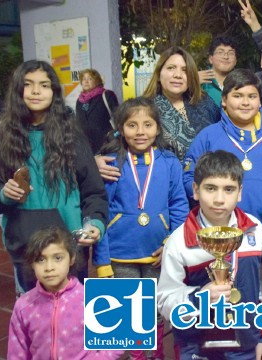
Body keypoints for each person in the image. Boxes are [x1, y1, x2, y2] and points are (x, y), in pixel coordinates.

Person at [0, 60, 108, 294]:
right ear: (18, 91)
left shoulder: (72, 138)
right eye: (28, 84)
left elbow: (93, 191)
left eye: (44, 85)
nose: (36, 91)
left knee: (74, 321)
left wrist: (95, 223)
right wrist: (3, 194)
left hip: (69, 248)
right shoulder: (0, 141)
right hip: (25, 249)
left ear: (54, 92)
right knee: (35, 319)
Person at [93, 97, 189, 359]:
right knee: (128, 317)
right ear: (121, 129)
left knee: (157, 312)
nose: (140, 132)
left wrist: (172, 244)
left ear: (157, 128)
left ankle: (155, 355)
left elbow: (179, 204)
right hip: (119, 255)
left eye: (147, 124)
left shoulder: (169, 162)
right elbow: (99, 213)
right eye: (132, 125)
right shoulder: (110, 164)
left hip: (158, 252)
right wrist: (101, 262)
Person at [158, 150, 262, 360]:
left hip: (246, 341)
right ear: (196, 190)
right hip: (196, 346)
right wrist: (200, 298)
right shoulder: (179, 240)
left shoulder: (255, 230)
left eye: (229, 189)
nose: (219, 199)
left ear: (240, 192)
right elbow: (164, 300)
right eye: (210, 188)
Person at [183, 69, 262, 225]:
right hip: (217, 228)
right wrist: (208, 198)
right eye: (237, 96)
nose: (245, 103)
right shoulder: (208, 136)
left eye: (252, 96)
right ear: (224, 100)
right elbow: (189, 176)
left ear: (259, 101)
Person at [96, 47, 220, 181]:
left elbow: (224, 133)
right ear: (159, 74)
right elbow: (118, 138)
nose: (178, 75)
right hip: (165, 186)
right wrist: (97, 159)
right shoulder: (144, 108)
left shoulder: (204, 102)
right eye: (171, 68)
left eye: (184, 70)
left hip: (210, 184)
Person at [8, 227, 123, 359]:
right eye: (40, 260)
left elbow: (115, 344)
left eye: (58, 258)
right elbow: (16, 353)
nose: (49, 267)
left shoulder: (91, 300)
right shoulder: (23, 306)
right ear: (32, 264)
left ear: (72, 258)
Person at [75, 68, 119, 154]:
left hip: (105, 143)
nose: (86, 81)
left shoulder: (107, 95)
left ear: (97, 81)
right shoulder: (79, 100)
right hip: (86, 147)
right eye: (84, 79)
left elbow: (118, 117)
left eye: (90, 79)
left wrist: (116, 135)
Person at [199, 35, 238, 107]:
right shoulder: (199, 82)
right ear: (210, 59)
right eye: (220, 52)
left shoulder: (241, 83)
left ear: (235, 61)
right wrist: (191, 83)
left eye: (231, 53)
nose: (226, 57)